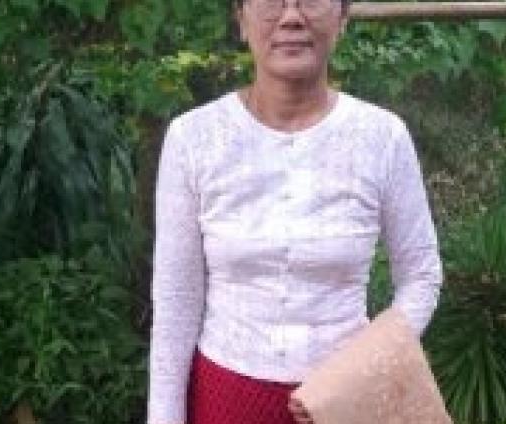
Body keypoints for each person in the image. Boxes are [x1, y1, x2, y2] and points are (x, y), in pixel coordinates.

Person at [146, 0, 444, 423]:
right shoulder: (194, 139)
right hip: (225, 399)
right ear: (241, 18)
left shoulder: (382, 138)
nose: (291, 17)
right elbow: (177, 301)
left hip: (344, 407)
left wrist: (355, 374)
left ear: (342, 18)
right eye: (272, 2)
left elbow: (421, 277)